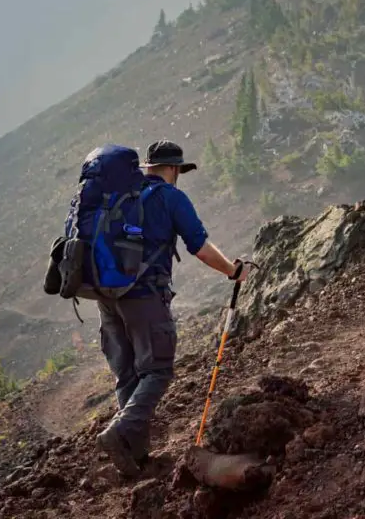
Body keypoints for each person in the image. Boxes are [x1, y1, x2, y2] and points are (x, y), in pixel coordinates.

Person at [94, 140, 250, 477]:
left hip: (105, 296)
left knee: (129, 374)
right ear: (175, 169)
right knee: (158, 370)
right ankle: (119, 433)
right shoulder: (170, 197)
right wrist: (233, 271)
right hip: (144, 295)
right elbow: (200, 247)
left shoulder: (118, 196)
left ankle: (135, 457)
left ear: (147, 166)